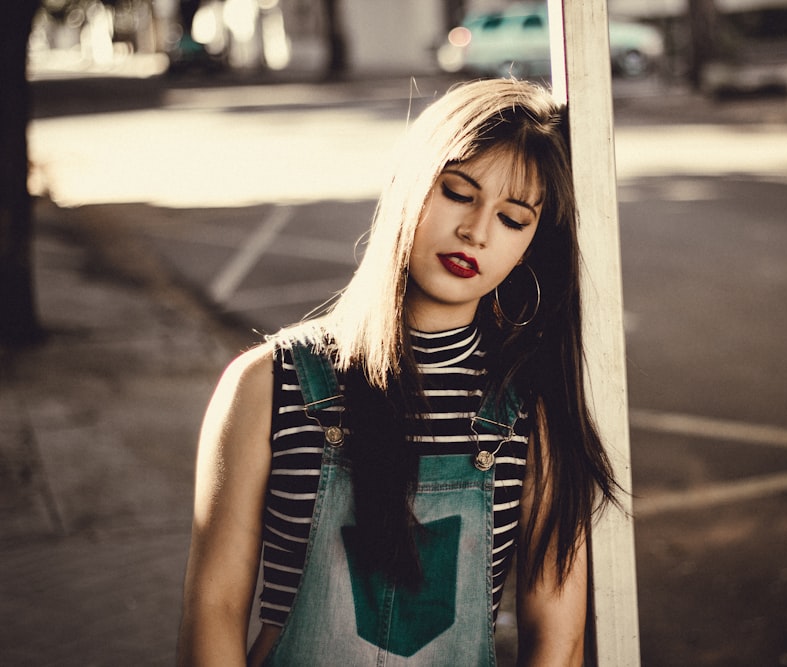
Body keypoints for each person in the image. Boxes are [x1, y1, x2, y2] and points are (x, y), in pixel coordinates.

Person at [176, 78, 620, 667]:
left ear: (530, 247)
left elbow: (557, 643)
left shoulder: (532, 412)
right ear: (409, 183)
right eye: (459, 192)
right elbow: (214, 607)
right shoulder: (267, 383)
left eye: (513, 218)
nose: (477, 231)